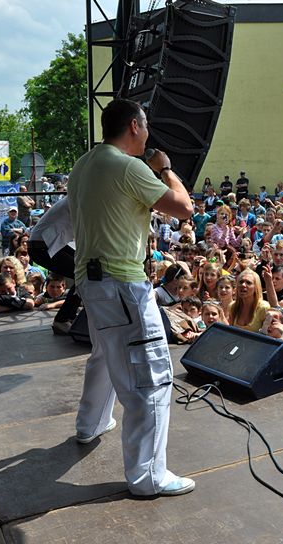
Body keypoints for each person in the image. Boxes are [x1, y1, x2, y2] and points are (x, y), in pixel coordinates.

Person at [68, 99, 195, 497]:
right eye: (146, 125)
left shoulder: (85, 164)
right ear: (135, 126)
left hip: (91, 283)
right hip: (123, 285)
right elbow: (184, 209)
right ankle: (148, 477)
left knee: (105, 355)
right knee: (151, 379)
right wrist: (168, 169)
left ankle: (90, 424)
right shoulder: (128, 167)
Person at [28, 196, 82, 334]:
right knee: (83, 274)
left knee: (83, 272)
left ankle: (68, 316)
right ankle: (62, 319)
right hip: (43, 245)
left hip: (45, 243)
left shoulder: (79, 195)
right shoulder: (83, 198)